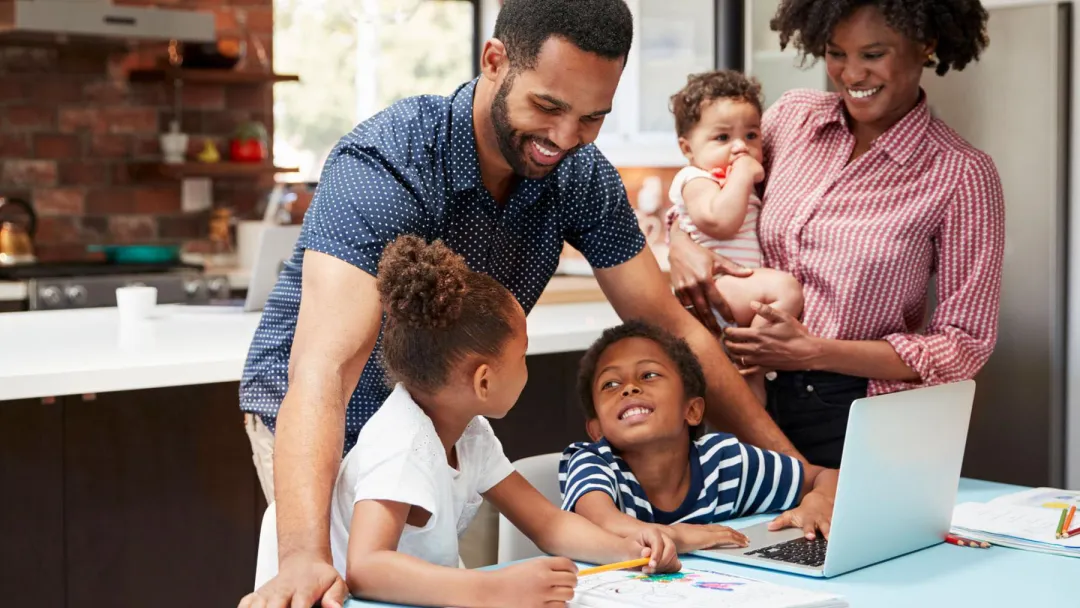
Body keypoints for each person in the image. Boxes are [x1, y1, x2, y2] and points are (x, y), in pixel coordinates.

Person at [238, 1, 800, 606]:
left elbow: (673, 329)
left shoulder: (579, 177)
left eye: (591, 118)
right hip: (330, 420)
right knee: (333, 585)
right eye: (548, 106)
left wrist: (798, 476)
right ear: (494, 61)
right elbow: (325, 366)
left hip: (446, 422)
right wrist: (303, 557)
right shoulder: (389, 163)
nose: (564, 139)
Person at [247, 236, 680, 608]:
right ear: (484, 381)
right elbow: (366, 567)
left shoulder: (468, 433)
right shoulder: (403, 442)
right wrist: (493, 589)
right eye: (521, 356)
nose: (526, 367)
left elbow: (548, 524)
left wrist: (629, 548)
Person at [669, 0, 1005, 469]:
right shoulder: (792, 119)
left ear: (925, 45)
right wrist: (679, 244)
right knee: (741, 541)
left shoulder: (960, 174)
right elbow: (715, 191)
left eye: (872, 54)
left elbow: (963, 345)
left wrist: (813, 351)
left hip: (849, 409)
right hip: (741, 385)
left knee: (829, 541)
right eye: (835, 53)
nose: (850, 74)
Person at [559, 321, 837, 549]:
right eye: (611, 383)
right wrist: (677, 536)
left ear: (691, 410)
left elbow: (828, 477)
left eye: (648, 375)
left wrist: (818, 500)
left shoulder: (726, 462)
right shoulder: (593, 462)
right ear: (597, 431)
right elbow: (603, 522)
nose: (629, 388)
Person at [667, 70, 803, 404]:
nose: (740, 147)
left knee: (747, 399)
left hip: (736, 289)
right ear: (688, 148)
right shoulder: (695, 178)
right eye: (722, 138)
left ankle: (749, 434)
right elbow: (719, 221)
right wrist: (744, 173)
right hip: (715, 285)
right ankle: (750, 348)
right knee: (786, 289)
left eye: (751, 135)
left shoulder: (733, 182)